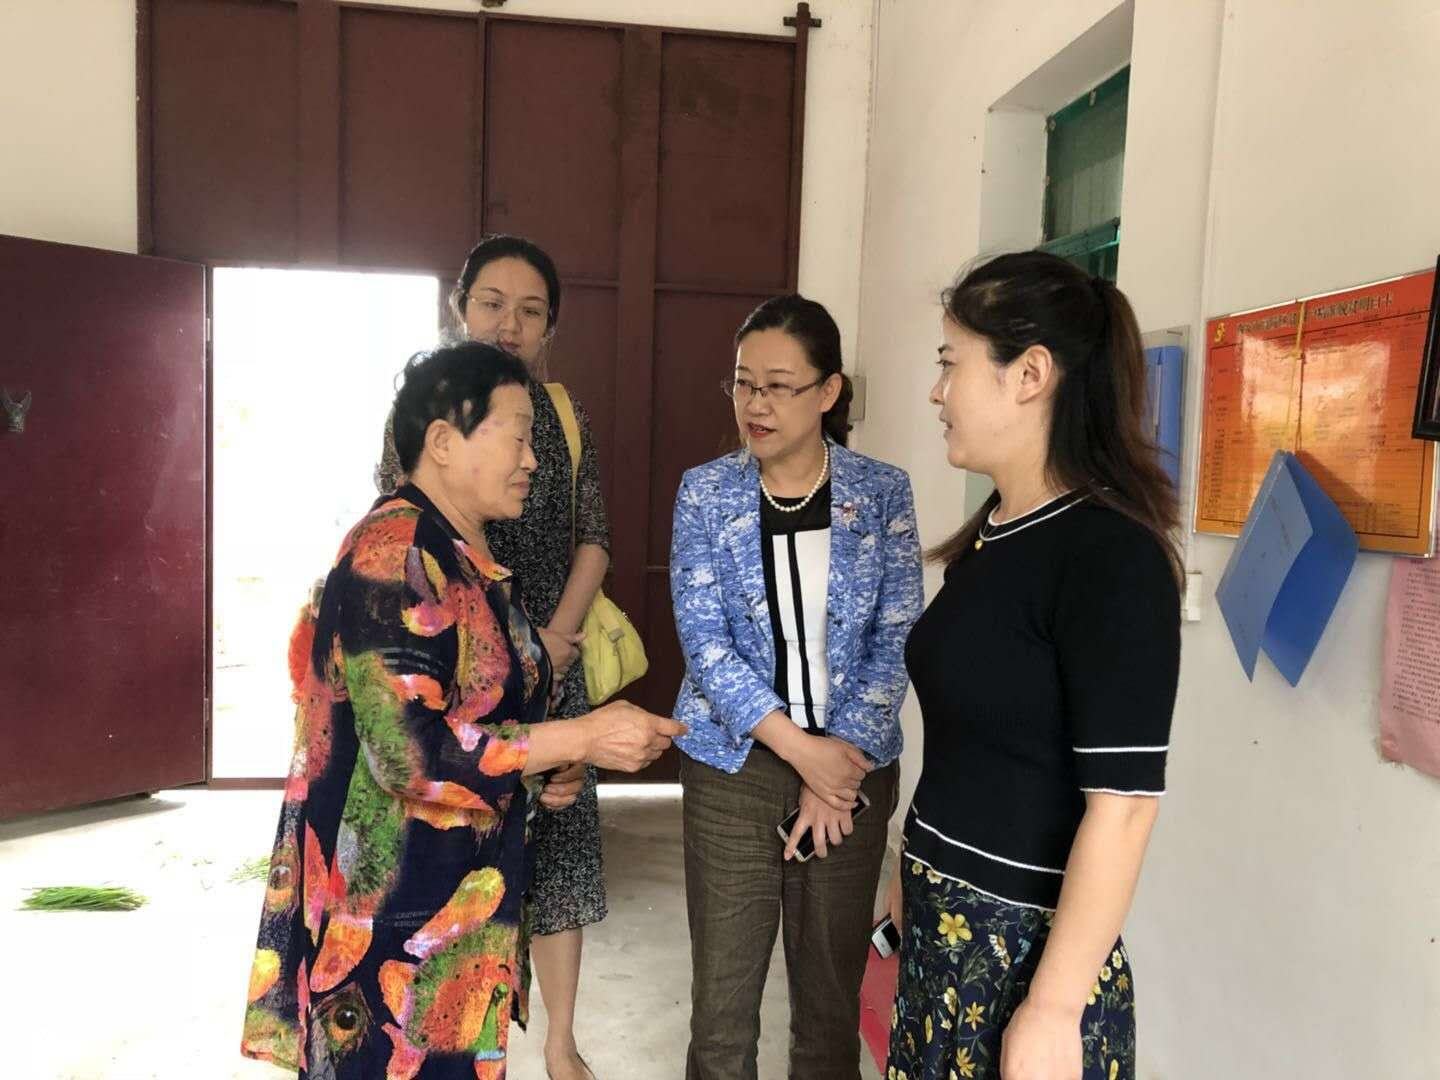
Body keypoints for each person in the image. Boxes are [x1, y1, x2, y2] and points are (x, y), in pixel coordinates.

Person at [242, 342, 682, 1079]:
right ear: (444, 442)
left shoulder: (460, 554)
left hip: (450, 917)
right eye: (518, 436)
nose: (533, 461)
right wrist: (579, 737)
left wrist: (552, 765)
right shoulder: (393, 553)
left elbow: (491, 713)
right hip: (390, 929)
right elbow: (409, 754)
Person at [883, 251, 1183, 1080]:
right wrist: (911, 862)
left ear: (1030, 375)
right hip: (942, 932)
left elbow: (1124, 806)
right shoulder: (993, 537)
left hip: (1023, 959)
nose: (938, 392)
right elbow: (974, 741)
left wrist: (1053, 1009)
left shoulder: (1111, 556)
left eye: (951, 364)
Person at [669, 294, 924, 1080]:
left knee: (827, 1014)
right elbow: (705, 644)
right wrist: (800, 753)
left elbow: (896, 634)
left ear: (828, 391)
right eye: (744, 383)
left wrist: (833, 766)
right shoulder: (705, 492)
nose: (756, 404)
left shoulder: (881, 492)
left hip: (851, 777)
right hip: (733, 771)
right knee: (721, 1018)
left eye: (779, 386)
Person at [377, 236, 610, 1080]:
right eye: (492, 303)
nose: (511, 323)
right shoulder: (407, 509)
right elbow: (410, 750)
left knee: (554, 854)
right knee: (454, 858)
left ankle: (557, 1039)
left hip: (547, 661)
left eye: (532, 310)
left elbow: (593, 538)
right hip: (460, 678)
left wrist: (550, 646)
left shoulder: (563, 416)